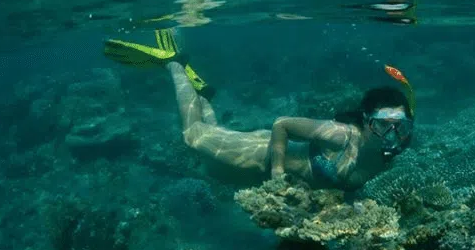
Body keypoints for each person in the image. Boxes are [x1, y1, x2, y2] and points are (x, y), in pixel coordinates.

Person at [102, 28, 414, 189]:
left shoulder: (387, 158)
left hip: (255, 174)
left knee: (210, 161)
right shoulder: (343, 136)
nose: (392, 133)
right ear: (366, 121)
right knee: (193, 137)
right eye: (384, 124)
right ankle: (173, 62)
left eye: (400, 126)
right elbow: (283, 123)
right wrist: (278, 169)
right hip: (259, 153)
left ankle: (202, 94)